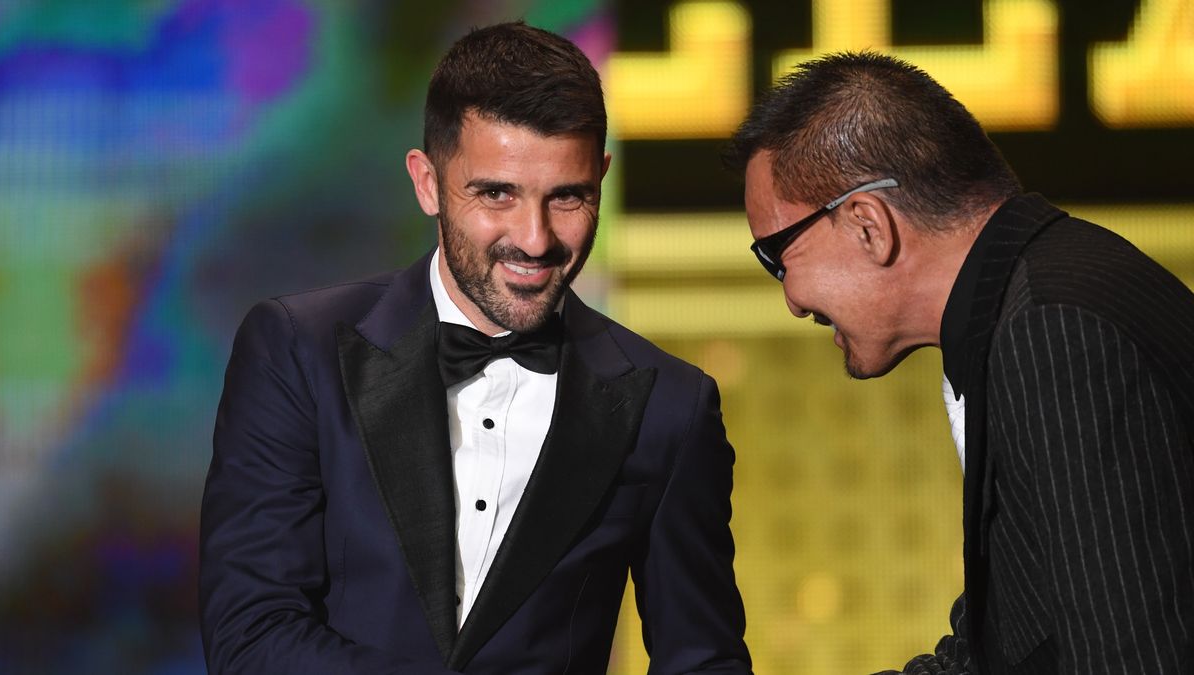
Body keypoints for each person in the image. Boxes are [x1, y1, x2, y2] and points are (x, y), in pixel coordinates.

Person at [199, 22, 751, 674]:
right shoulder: (298, 350)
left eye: (568, 197)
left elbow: (702, 659)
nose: (535, 238)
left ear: (602, 177)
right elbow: (251, 634)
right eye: (497, 194)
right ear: (427, 182)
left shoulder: (669, 404)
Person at [725, 51, 1194, 673]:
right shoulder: (1029, 307)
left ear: (869, 224)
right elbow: (1007, 645)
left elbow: (1132, 659)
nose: (791, 301)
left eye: (778, 257)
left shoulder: (1054, 330)